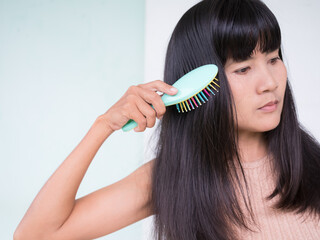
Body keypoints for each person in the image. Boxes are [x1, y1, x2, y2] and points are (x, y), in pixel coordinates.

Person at [14, 0, 320, 239]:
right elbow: (34, 235)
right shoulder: (173, 177)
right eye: (243, 68)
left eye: (273, 58)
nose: (269, 82)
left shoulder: (313, 166)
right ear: (203, 84)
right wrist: (103, 125)